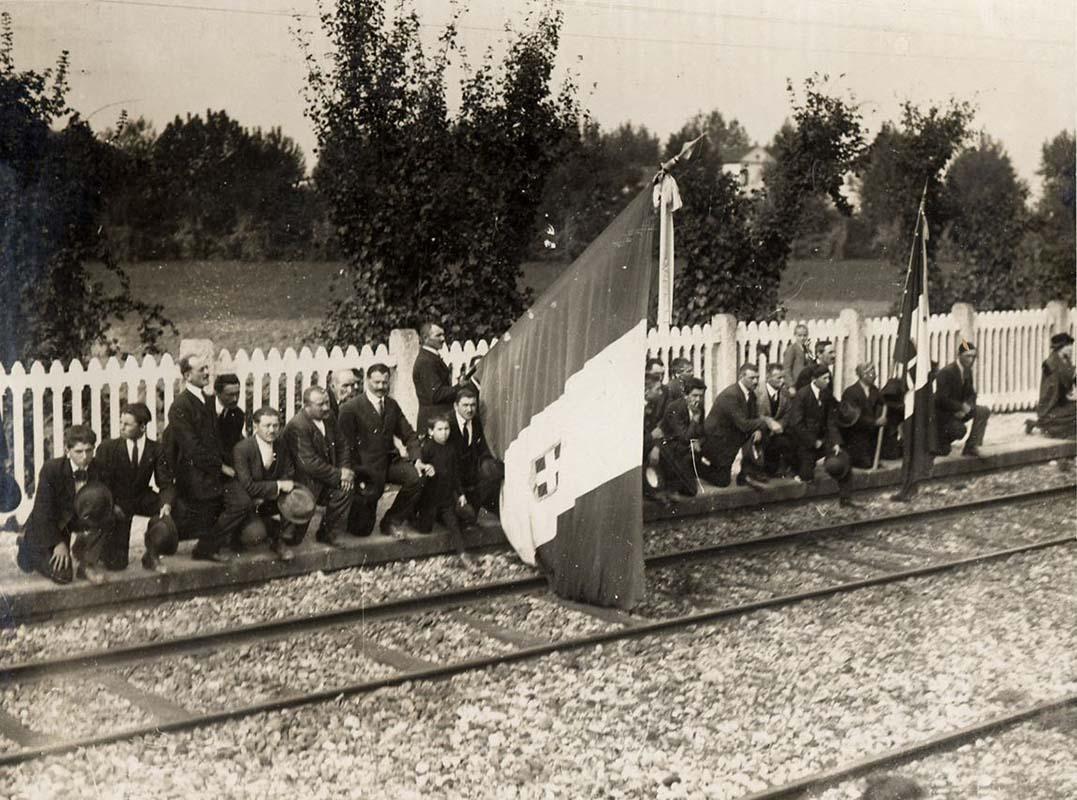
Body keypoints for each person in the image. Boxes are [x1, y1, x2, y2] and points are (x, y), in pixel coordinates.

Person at [16, 425, 117, 584]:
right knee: (63, 576)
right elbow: (43, 512)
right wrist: (57, 543)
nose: (84, 457)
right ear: (67, 450)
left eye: (89, 450)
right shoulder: (52, 469)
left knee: (109, 513)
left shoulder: (100, 468)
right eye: (78, 451)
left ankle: (86, 564)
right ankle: (27, 545)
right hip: (52, 524)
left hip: (75, 520)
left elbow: (102, 508)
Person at [338, 363, 428, 538]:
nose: (380, 387)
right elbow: (344, 447)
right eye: (376, 382)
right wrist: (351, 473)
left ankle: (391, 521)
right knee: (361, 530)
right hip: (365, 470)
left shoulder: (392, 405)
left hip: (389, 463)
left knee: (417, 477)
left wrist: (417, 459)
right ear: (367, 381)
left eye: (384, 383)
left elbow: (409, 434)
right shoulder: (350, 409)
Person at [167, 354, 242, 562]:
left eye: (207, 368)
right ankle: (206, 549)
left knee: (241, 503)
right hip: (196, 475)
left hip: (210, 470)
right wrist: (221, 468)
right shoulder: (180, 406)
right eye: (201, 370)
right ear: (187, 375)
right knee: (228, 504)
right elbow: (192, 448)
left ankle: (209, 546)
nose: (207, 373)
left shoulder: (206, 399)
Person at [94, 402, 175, 573]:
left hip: (141, 497)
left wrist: (166, 504)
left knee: (169, 515)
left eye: (127, 424)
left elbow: (166, 483)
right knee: (116, 564)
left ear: (142, 427)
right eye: (121, 422)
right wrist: (111, 506)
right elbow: (101, 485)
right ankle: (105, 550)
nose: (121, 427)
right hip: (117, 502)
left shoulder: (156, 449)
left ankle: (152, 555)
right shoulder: (107, 448)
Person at [282, 386, 356, 547]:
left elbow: (343, 444)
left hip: (325, 478)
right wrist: (338, 474)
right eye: (320, 404)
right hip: (303, 483)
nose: (326, 407)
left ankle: (326, 532)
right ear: (306, 406)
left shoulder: (328, 418)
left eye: (327, 403)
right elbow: (308, 463)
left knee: (345, 489)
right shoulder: (297, 426)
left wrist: (344, 470)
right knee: (293, 540)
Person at [231, 407, 299, 561]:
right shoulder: (242, 449)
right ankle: (241, 535)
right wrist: (278, 486)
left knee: (296, 503)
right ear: (255, 426)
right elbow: (247, 485)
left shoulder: (281, 444)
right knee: (254, 535)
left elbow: (288, 472)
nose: (272, 430)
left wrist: (279, 488)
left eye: (276, 426)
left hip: (270, 498)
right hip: (249, 502)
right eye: (267, 426)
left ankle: (280, 541)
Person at [701, 364, 780, 489]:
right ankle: (694, 466)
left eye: (757, 378)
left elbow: (753, 417)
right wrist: (767, 422)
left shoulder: (751, 394)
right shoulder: (731, 395)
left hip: (731, 437)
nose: (755, 381)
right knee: (722, 481)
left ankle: (748, 473)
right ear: (741, 377)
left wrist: (758, 429)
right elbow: (743, 424)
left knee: (761, 433)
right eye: (752, 378)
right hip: (716, 441)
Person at [415, 413, 478, 569]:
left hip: (445, 500)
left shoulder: (450, 449)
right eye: (440, 429)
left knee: (455, 525)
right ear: (431, 432)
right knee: (424, 528)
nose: (444, 433)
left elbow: (455, 474)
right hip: (429, 499)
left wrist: (461, 494)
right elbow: (417, 470)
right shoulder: (427, 448)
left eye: (447, 429)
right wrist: (426, 469)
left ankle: (463, 556)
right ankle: (414, 516)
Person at [786, 365, 855, 506]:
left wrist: (836, 442)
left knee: (843, 459)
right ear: (814, 379)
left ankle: (845, 497)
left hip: (823, 440)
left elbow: (831, 421)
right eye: (824, 378)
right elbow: (796, 424)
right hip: (804, 442)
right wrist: (812, 442)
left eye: (829, 378)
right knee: (806, 475)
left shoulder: (826, 394)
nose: (828, 381)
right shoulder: (802, 395)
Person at [658, 377, 720, 497]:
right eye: (694, 395)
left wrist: (697, 441)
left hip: (688, 446)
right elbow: (684, 438)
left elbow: (701, 432)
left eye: (701, 396)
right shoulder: (674, 408)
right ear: (685, 395)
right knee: (691, 490)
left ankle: (700, 471)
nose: (698, 399)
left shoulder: (699, 407)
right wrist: (695, 419)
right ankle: (675, 479)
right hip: (671, 447)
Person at [448, 385, 503, 516]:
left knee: (492, 469)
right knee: (465, 515)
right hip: (452, 479)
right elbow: (447, 464)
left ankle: (476, 503)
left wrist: (487, 464)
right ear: (456, 406)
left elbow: (482, 448)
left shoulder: (475, 421)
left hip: (470, 476)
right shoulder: (448, 425)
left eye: (473, 405)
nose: (469, 409)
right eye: (465, 405)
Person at [934, 341, 990, 457]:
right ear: (959, 355)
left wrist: (968, 405)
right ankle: (941, 441)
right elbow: (941, 399)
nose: (971, 360)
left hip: (960, 411)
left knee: (983, 411)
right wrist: (959, 407)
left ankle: (971, 446)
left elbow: (971, 394)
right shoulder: (947, 372)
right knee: (959, 431)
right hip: (944, 415)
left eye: (974, 356)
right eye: (968, 356)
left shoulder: (967, 371)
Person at [413, 321, 467, 435]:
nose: (443, 338)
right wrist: (459, 387)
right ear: (425, 338)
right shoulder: (426, 361)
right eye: (438, 335)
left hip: (438, 420)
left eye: (443, 334)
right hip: (433, 422)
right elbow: (436, 394)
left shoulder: (431, 357)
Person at [840, 363, 888, 469]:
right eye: (871, 373)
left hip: (871, 437)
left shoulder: (875, 391)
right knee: (864, 463)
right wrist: (874, 422)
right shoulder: (850, 392)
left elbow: (883, 404)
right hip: (856, 437)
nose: (875, 376)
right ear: (863, 375)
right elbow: (852, 417)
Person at [1030, 332, 1075, 439]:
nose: (1071, 349)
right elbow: (1051, 392)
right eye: (1068, 346)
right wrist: (1069, 396)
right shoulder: (1050, 365)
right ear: (1061, 347)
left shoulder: (1065, 360)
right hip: (1051, 407)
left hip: (1062, 403)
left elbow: (1069, 376)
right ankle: (1047, 426)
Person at [757, 364, 794, 476]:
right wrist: (769, 423)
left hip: (777, 432)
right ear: (768, 377)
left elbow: (787, 413)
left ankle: (783, 468)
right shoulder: (757, 392)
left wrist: (779, 426)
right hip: (759, 430)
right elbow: (754, 414)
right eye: (779, 378)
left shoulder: (784, 393)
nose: (782, 381)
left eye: (783, 377)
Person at [213, 373, 245, 470]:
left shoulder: (238, 415)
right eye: (230, 395)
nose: (235, 399)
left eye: (237, 393)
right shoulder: (202, 409)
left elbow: (232, 446)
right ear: (217, 393)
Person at [782, 324, 812, 395]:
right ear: (795, 335)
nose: (802, 338)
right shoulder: (792, 349)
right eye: (799, 335)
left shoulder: (808, 350)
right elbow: (787, 368)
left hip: (806, 383)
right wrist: (791, 385)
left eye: (805, 335)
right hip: (796, 383)